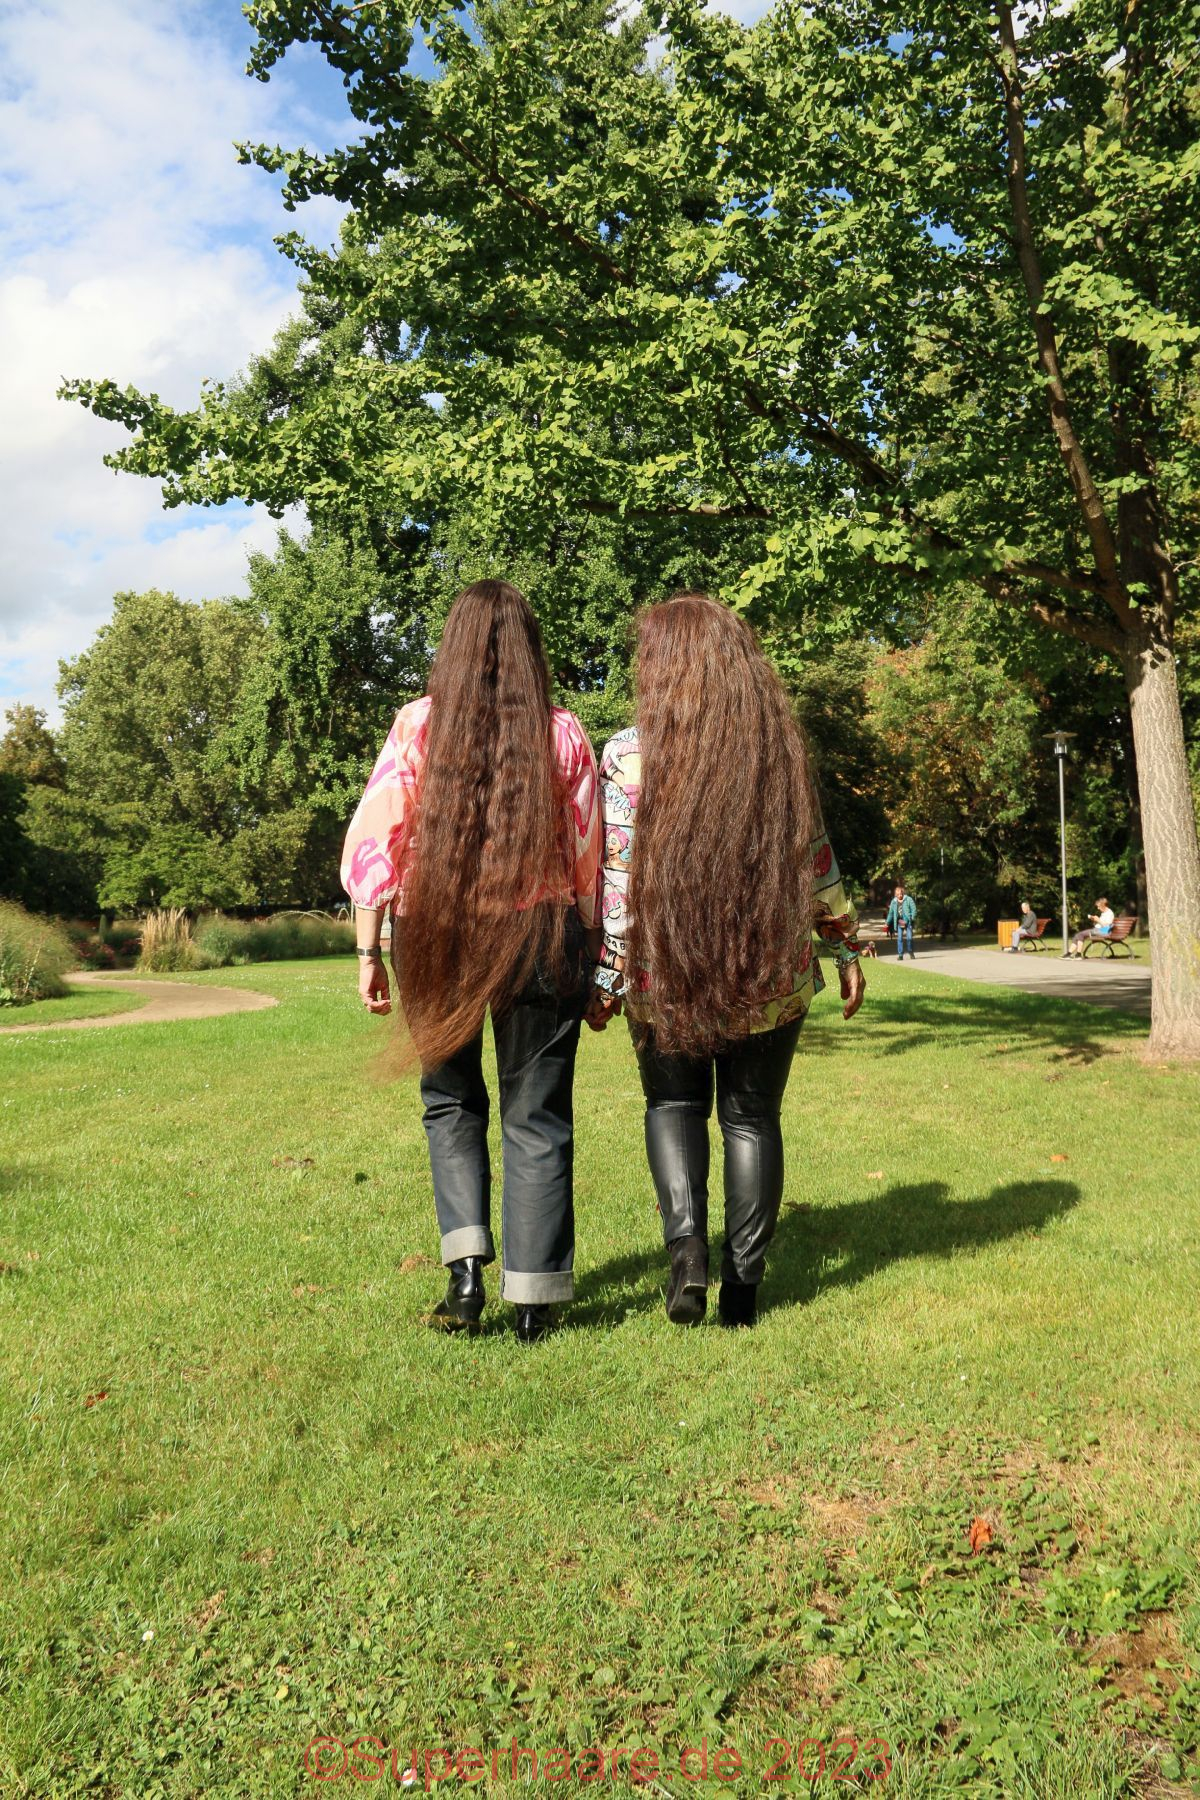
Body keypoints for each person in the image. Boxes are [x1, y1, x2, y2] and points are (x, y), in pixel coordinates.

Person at [586, 592, 865, 1330]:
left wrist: (607, 976)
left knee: (673, 1106)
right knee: (751, 1118)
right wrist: (843, 944)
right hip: (768, 972)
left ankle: (688, 1260)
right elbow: (816, 860)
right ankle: (744, 1289)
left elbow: (619, 884)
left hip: (663, 972)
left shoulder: (627, 755)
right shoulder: (778, 751)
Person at [341, 579, 602, 1344]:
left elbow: (374, 846)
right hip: (540, 937)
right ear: (528, 650)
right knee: (537, 1114)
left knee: (449, 1101)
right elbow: (588, 859)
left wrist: (369, 950)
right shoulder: (563, 733)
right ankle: (534, 1303)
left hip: (435, 937)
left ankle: (464, 1276)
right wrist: (592, 949)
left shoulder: (417, 726)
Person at [886, 884, 917, 959]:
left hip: (908, 921)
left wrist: (912, 918)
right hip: (899, 922)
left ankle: (910, 952)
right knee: (899, 939)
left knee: (909, 938)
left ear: (903, 893)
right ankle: (900, 955)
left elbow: (914, 909)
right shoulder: (894, 902)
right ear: (895, 895)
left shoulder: (908, 899)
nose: (900, 895)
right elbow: (891, 913)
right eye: (898, 894)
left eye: (901, 894)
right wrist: (887, 923)